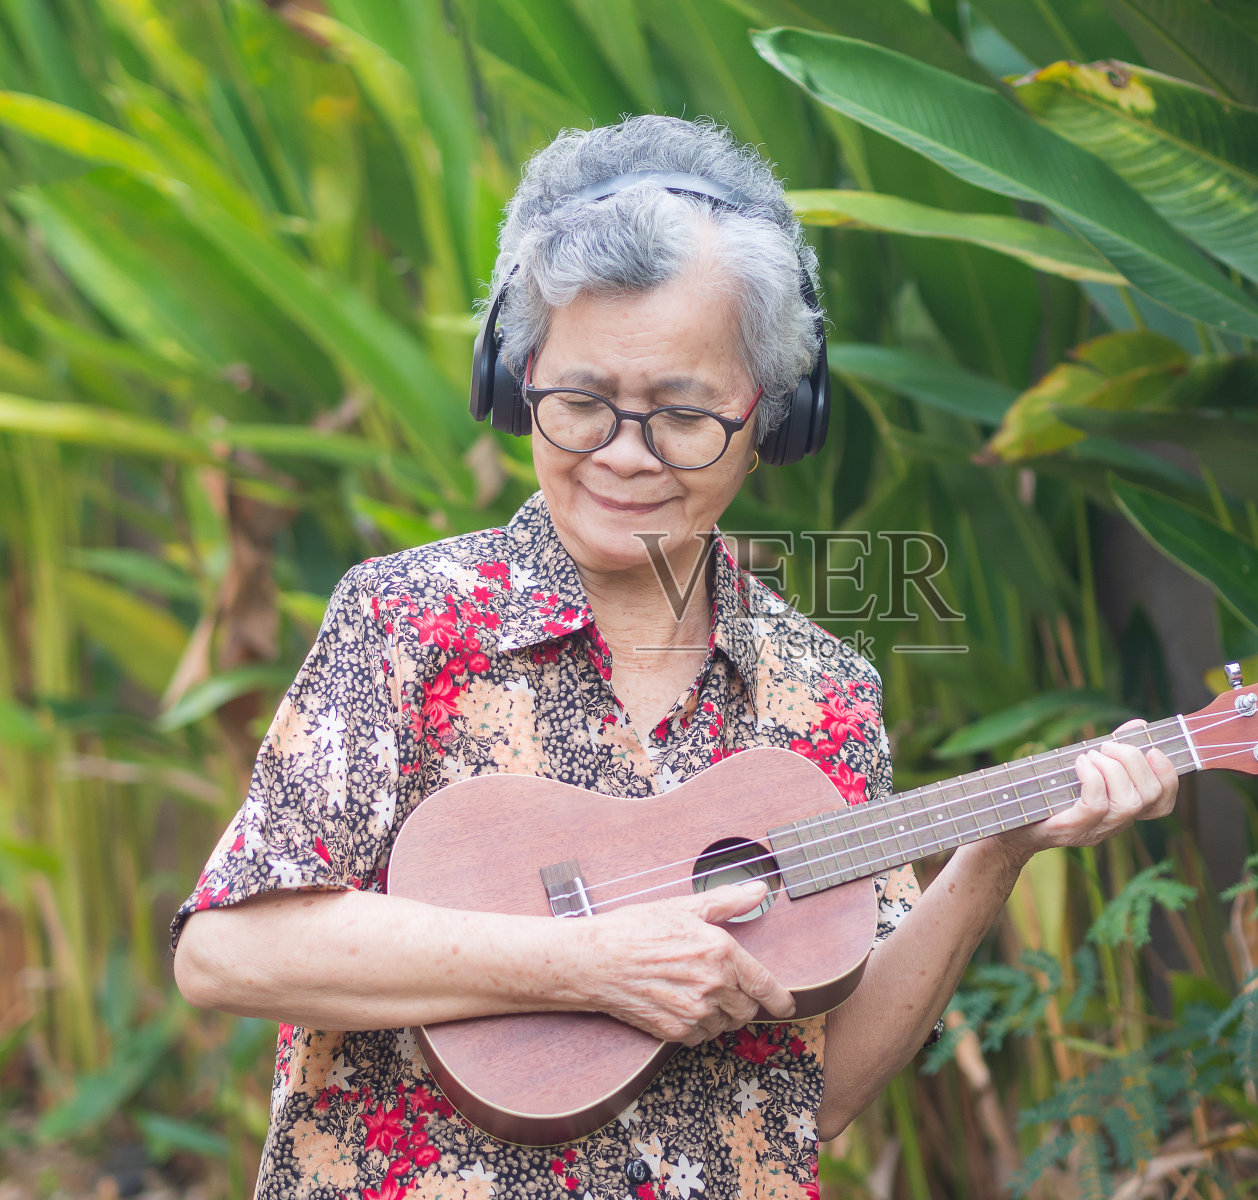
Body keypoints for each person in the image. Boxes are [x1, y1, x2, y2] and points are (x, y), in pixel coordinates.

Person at [171, 115, 1178, 1200]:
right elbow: (228, 956)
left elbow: (819, 1092)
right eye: (581, 404)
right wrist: (587, 966)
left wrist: (994, 853)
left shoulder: (823, 692)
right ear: (515, 386)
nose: (625, 456)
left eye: (684, 416)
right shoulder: (407, 623)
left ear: (774, 419)